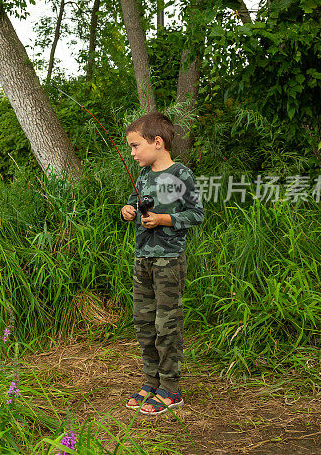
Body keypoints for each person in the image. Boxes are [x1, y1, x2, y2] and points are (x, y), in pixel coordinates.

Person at [120, 112, 204, 416]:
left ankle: (171, 388)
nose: (132, 153)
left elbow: (197, 214)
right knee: (144, 323)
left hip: (168, 260)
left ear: (157, 142)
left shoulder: (181, 174)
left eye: (135, 146)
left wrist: (165, 219)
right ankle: (151, 382)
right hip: (142, 257)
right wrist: (128, 210)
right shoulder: (143, 175)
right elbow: (133, 200)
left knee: (165, 325)